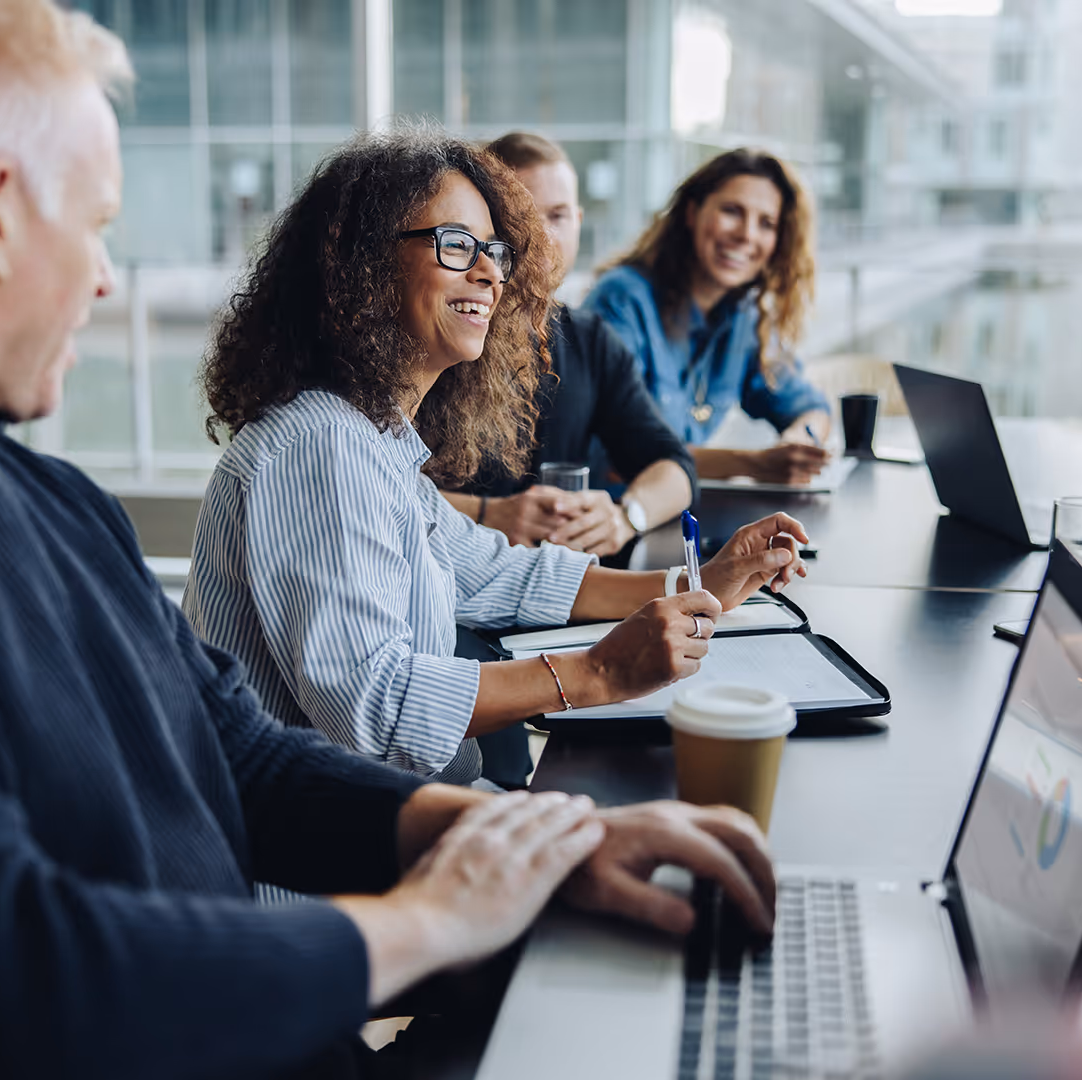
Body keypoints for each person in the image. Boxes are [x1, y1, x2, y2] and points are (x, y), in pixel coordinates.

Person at [0, 3, 779, 1076]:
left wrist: (523, 844)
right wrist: (436, 920)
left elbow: (241, 753)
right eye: (96, 224)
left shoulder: (44, 496)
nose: (102, 278)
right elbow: (5, 966)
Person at [184, 129, 810, 785]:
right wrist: (601, 672)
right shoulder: (319, 445)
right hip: (324, 865)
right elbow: (376, 708)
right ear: (361, 264)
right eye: (456, 246)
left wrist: (699, 584)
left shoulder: (372, 438)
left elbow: (501, 576)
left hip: (397, 815)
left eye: (494, 251)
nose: (490, 272)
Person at [438, 132, 694, 557]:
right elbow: (376, 485)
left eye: (556, 216)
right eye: (518, 218)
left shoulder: (589, 340)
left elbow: (675, 467)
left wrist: (626, 516)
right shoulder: (445, 332)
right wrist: (486, 514)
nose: (539, 236)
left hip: (560, 596)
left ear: (577, 221)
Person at [583, 148, 833, 484]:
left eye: (766, 223)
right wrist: (755, 464)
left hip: (682, 515)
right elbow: (615, 458)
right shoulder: (623, 300)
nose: (747, 234)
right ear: (692, 213)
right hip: (611, 519)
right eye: (732, 211)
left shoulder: (744, 317)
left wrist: (800, 443)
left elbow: (810, 407)